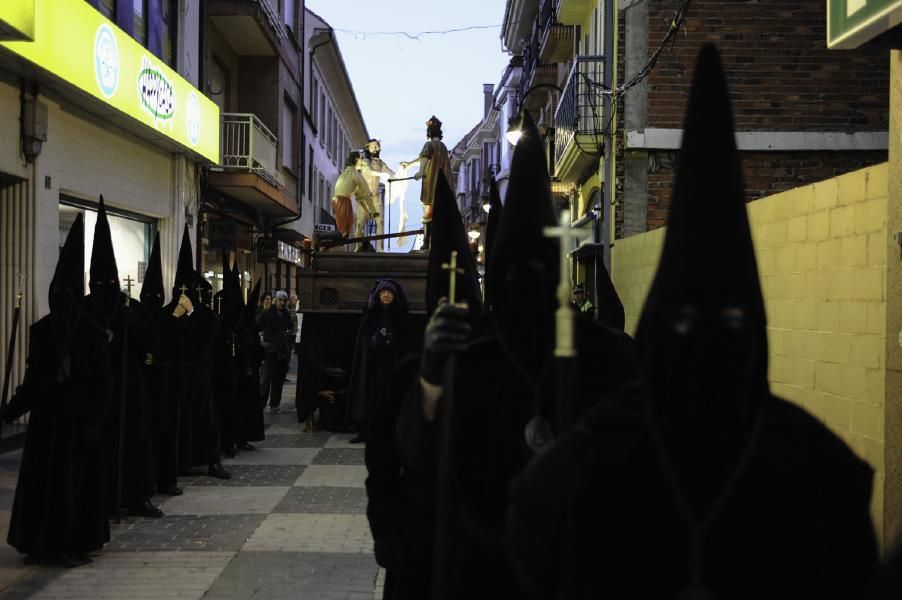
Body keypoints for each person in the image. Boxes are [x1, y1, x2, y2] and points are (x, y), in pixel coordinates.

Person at [505, 45, 880, 599]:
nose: (704, 339)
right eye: (683, 320)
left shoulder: (813, 465)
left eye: (728, 319)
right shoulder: (601, 448)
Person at [396, 117, 640, 598]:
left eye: (536, 272)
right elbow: (416, 456)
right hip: (482, 571)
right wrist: (429, 376)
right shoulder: (470, 360)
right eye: (512, 273)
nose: (523, 286)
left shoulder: (605, 358)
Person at [365, 172, 477, 599]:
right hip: (418, 538)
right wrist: (386, 533)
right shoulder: (407, 374)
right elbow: (383, 464)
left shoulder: (497, 368)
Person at [3, 212, 110, 567]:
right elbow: (34, 382)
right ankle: (41, 542)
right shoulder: (43, 331)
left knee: (70, 484)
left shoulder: (92, 334)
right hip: (49, 424)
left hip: (77, 423)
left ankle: (71, 543)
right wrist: (9, 412)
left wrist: (95, 420)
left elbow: (101, 382)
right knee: (45, 485)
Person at [348, 279, 412, 444]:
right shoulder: (371, 314)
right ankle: (366, 431)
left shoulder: (400, 314)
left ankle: (392, 432)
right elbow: (364, 340)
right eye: (383, 292)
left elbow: (406, 340)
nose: (385, 295)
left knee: (391, 397)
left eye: (389, 292)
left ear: (394, 295)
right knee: (370, 397)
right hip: (373, 364)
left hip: (393, 362)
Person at [400, 116, 453, 251]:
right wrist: (410, 164)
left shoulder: (428, 145)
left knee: (427, 213)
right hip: (443, 185)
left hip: (431, 183)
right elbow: (424, 157)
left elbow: (424, 159)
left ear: (429, 132)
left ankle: (426, 242)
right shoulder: (443, 147)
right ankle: (438, 242)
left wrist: (420, 172)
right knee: (439, 214)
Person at [257, 290, 293, 413]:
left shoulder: (286, 314)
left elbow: (290, 327)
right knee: (265, 380)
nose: (282, 303)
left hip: (282, 352)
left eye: (284, 300)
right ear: (275, 300)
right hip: (270, 352)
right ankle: (260, 405)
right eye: (280, 300)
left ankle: (274, 405)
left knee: (278, 380)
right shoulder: (267, 313)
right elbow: (255, 327)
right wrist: (262, 343)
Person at [333, 151, 378, 241]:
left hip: (339, 200)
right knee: (343, 230)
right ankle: (322, 237)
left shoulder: (346, 174)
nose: (363, 161)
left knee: (348, 227)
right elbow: (367, 195)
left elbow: (359, 197)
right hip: (343, 201)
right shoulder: (356, 175)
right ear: (357, 159)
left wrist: (368, 211)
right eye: (361, 159)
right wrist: (373, 211)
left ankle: (337, 240)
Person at [358, 139, 394, 251]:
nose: (375, 148)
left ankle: (380, 248)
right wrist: (383, 174)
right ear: (368, 148)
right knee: (360, 224)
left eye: (376, 146)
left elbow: (391, 173)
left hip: (376, 197)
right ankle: (358, 246)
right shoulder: (364, 161)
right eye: (372, 146)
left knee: (380, 222)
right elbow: (369, 171)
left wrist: (401, 171)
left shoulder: (380, 163)